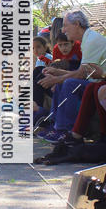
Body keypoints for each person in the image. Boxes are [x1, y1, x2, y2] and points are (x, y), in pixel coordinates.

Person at [38, 10, 106, 142]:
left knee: (69, 83)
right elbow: (83, 72)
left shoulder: (91, 40)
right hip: (95, 81)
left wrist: (56, 78)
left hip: (100, 82)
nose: (63, 30)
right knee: (64, 82)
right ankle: (55, 125)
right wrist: (58, 73)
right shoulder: (87, 39)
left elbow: (81, 74)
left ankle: (65, 130)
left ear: (77, 24)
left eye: (65, 25)